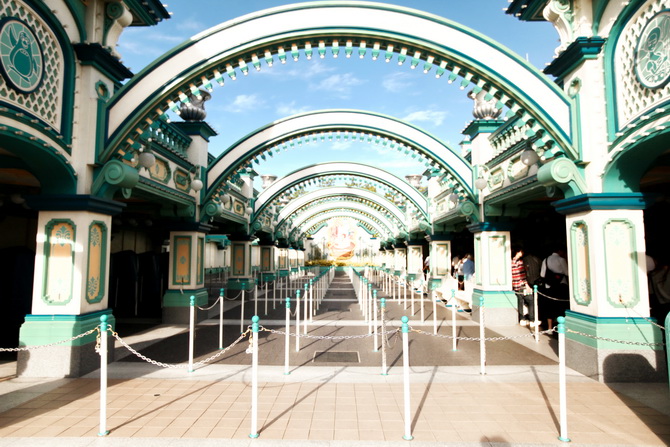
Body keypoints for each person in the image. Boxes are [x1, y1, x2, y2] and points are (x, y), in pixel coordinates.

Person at [539, 248, 569, 329]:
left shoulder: (545, 260)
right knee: (561, 306)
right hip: (561, 285)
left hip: (549, 286)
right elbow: (566, 272)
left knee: (550, 306)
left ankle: (549, 327)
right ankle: (561, 326)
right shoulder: (561, 259)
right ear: (560, 251)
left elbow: (542, 275)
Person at [512, 246, 535, 326]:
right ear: (518, 252)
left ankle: (522, 318)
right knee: (530, 300)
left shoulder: (511, 262)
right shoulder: (520, 262)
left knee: (520, 302)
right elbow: (521, 275)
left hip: (515, 285)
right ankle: (531, 319)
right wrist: (526, 284)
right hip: (522, 284)